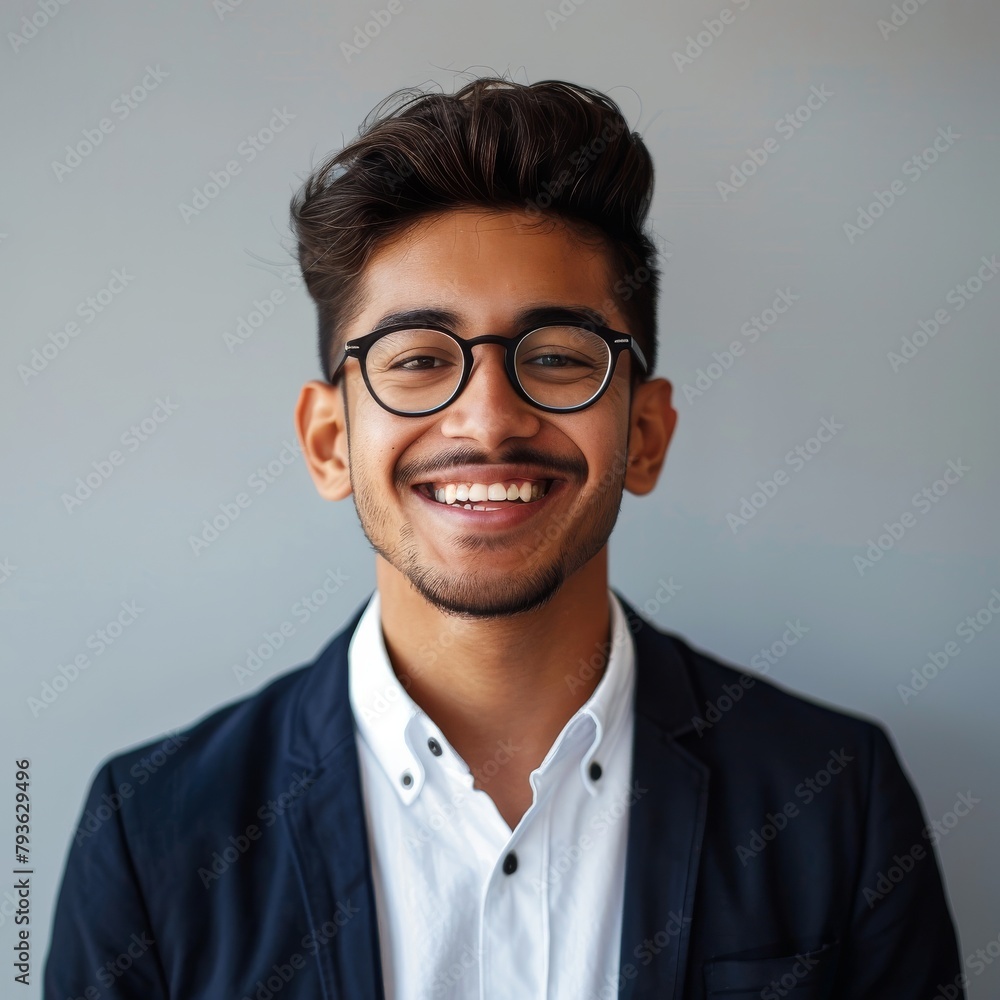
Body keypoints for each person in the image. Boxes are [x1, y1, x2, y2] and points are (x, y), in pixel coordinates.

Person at [45, 76, 963, 1000]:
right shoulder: (152, 834)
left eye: (558, 357)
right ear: (330, 444)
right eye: (417, 359)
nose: (487, 420)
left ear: (644, 435)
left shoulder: (836, 799)